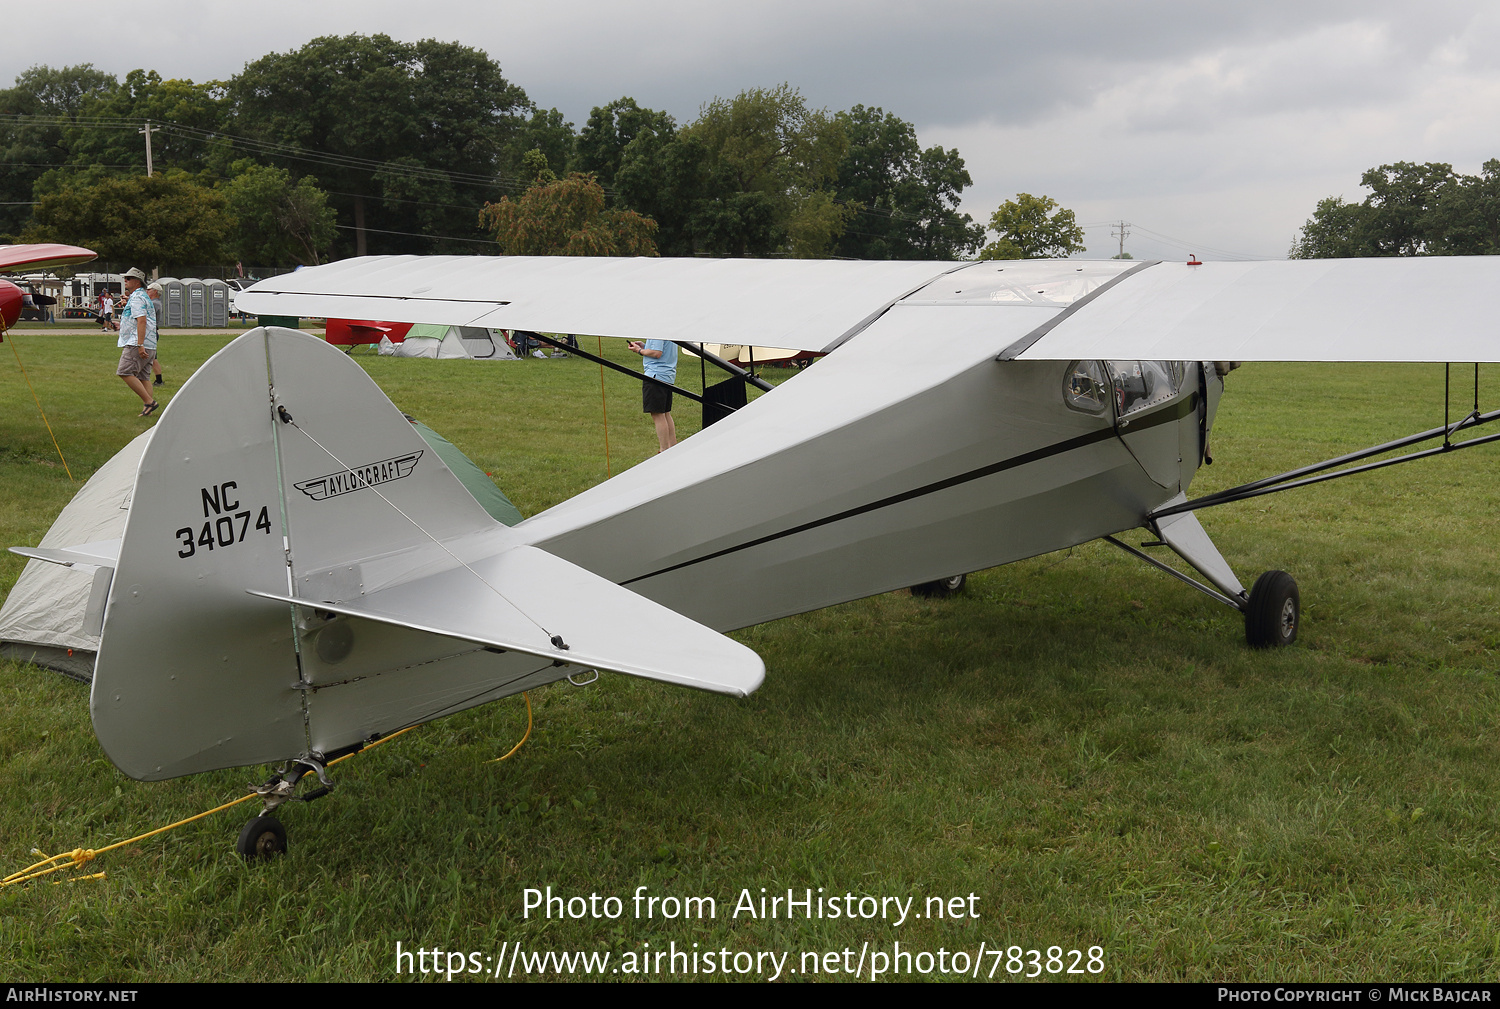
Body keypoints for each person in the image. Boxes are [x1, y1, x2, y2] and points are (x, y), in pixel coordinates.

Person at [115, 268, 159, 417]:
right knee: (144, 377)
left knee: (124, 372)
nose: (125, 280)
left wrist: (140, 345)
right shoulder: (142, 297)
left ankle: (149, 402)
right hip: (151, 342)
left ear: (137, 281)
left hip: (138, 342)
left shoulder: (137, 298)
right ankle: (148, 411)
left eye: (129, 278)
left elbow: (142, 320)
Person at [627, 338, 677, 452]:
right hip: (667, 375)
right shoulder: (668, 328)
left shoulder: (658, 330)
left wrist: (639, 350)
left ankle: (664, 450)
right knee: (665, 413)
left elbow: (657, 353)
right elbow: (661, 349)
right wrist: (644, 346)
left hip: (655, 375)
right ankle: (673, 448)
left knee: (658, 414)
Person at [146, 281, 164, 386]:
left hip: (150, 333)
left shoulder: (154, 303)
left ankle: (159, 380)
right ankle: (158, 380)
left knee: (152, 358)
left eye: (149, 290)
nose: (147, 291)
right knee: (151, 358)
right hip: (151, 332)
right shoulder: (154, 303)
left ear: (155, 292)